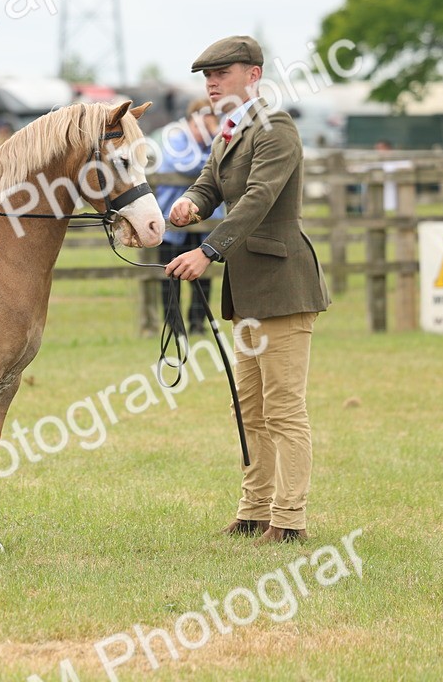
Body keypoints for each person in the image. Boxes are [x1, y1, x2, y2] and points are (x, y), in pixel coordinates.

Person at [165, 36, 330, 545]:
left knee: (283, 409)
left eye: (222, 74)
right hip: (251, 290)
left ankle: (289, 519)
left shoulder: (275, 129)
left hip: (282, 285)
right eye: (207, 78)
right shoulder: (227, 134)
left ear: (253, 76)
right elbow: (209, 184)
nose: (212, 84)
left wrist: (207, 250)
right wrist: (189, 204)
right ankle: (255, 509)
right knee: (250, 408)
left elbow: (257, 199)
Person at [153, 98, 223, 335]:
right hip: (172, 223)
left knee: (201, 275)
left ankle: (197, 323)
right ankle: (174, 326)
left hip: (204, 222)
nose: (203, 131)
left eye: (210, 124)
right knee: (170, 276)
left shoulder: (216, 143)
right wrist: (213, 163)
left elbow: (224, 163)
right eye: (199, 125)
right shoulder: (175, 141)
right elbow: (186, 165)